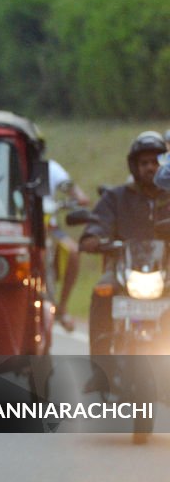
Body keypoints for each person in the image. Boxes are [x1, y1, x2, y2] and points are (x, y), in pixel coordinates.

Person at [80, 131, 170, 383]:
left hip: (167, 271)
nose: (150, 167)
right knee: (102, 290)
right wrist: (94, 237)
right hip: (123, 271)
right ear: (135, 165)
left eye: (156, 161)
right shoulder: (117, 197)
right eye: (144, 163)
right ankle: (99, 369)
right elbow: (99, 222)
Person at [44, 159, 90, 331]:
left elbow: (68, 186)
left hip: (49, 227)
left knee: (73, 251)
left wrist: (78, 196)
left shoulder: (50, 167)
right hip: (23, 228)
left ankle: (62, 307)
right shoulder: (9, 161)